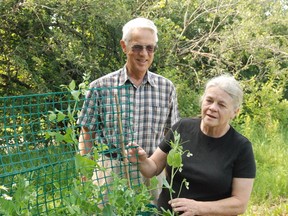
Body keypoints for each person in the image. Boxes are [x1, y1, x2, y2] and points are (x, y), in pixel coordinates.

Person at [77, 17, 180, 204]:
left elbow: (170, 136)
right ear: (124, 46)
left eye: (150, 48)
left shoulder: (166, 88)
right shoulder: (101, 86)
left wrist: (170, 176)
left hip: (152, 170)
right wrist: (84, 175)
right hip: (110, 172)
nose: (144, 54)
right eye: (137, 47)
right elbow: (87, 134)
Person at [128, 74, 256, 215]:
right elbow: (153, 168)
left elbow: (239, 204)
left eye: (221, 104)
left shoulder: (241, 147)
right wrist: (141, 161)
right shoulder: (182, 128)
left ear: (234, 112)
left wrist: (198, 208)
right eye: (209, 100)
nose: (213, 108)